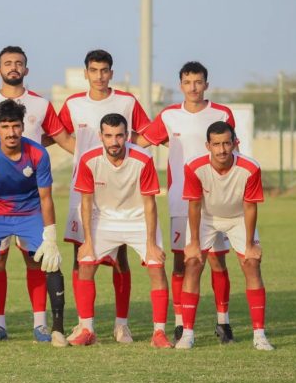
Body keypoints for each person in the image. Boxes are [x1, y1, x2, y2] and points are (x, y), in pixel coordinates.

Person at [0, 46, 74, 343]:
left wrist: (98, 158)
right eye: (7, 63)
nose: (13, 67)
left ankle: (43, 325)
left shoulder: (41, 106)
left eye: (18, 63)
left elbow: (62, 139)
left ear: (26, 68)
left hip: (30, 203)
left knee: (40, 260)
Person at [138, 61, 236, 343]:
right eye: (187, 82)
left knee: (217, 261)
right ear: (180, 85)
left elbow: (232, 153)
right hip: (181, 200)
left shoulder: (222, 113)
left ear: (206, 84)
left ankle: (223, 322)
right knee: (182, 262)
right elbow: (141, 142)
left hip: (216, 201)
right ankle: (181, 323)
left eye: (198, 82)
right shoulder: (169, 115)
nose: (193, 87)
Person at [59, 49, 150, 343]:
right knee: (81, 255)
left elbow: (145, 135)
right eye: (94, 70)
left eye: (104, 70)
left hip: (120, 188)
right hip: (84, 188)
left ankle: (121, 325)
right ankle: (85, 324)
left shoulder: (127, 101)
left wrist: (128, 155)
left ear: (111, 72)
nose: (99, 76)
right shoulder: (73, 104)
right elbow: (59, 134)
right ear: (85, 73)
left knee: (120, 255)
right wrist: (84, 157)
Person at [69, 113, 171, 348]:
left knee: (156, 268)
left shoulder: (143, 159)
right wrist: (87, 241)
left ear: (127, 136)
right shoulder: (88, 159)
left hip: (138, 220)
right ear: (100, 136)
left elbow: (150, 204)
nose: (114, 141)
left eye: (119, 136)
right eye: (108, 136)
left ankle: (158, 333)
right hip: (103, 219)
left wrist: (151, 244)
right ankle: (87, 329)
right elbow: (86, 202)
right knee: (85, 263)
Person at [176, 121, 273, 351]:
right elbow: (194, 205)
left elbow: (250, 206)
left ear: (235, 143)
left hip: (238, 217)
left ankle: (259, 335)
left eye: (227, 143)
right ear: (207, 145)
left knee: (251, 264)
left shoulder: (250, 168)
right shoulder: (194, 167)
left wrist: (250, 245)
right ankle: (187, 334)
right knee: (193, 263)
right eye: (216, 144)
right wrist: (194, 243)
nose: (222, 150)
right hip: (206, 218)